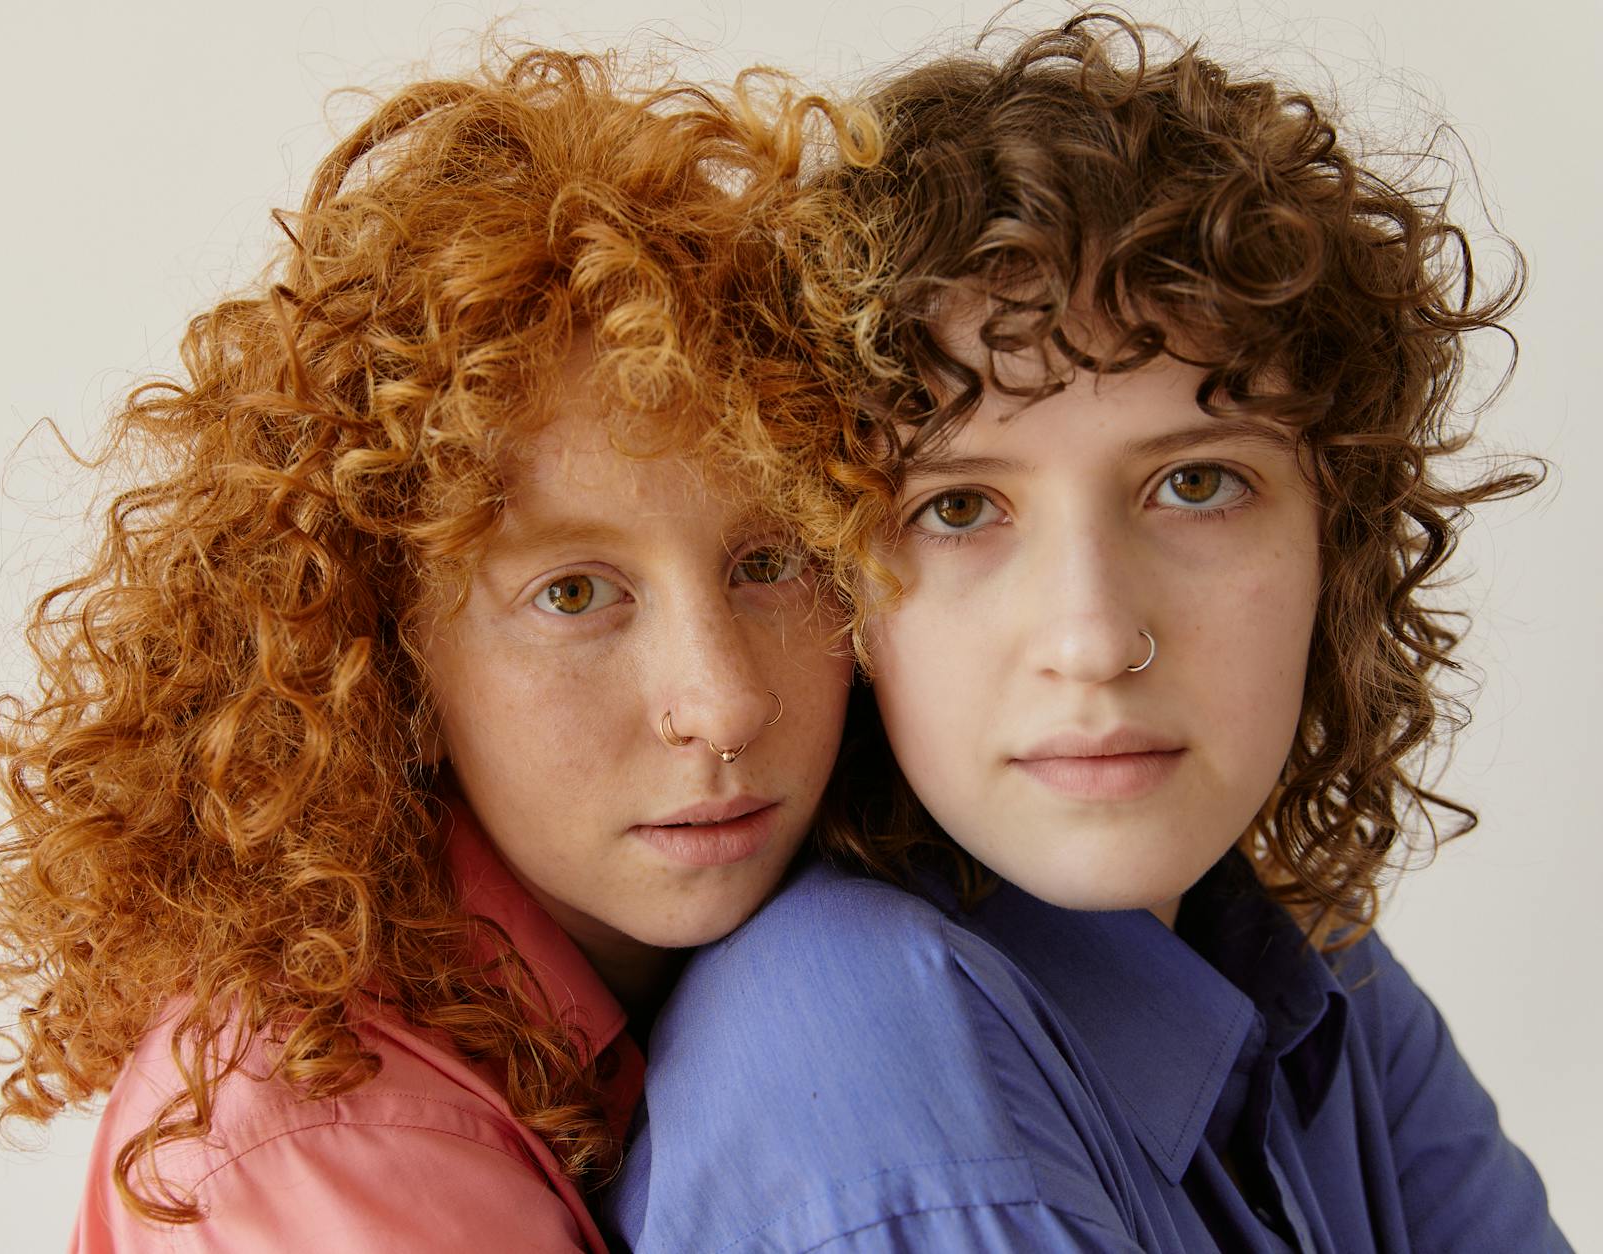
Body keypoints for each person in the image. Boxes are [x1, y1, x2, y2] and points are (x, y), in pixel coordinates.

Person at [607, 14, 1571, 1253]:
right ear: (836, 582)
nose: (1095, 640)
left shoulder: (1312, 968)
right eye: (958, 509)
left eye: (1195, 485)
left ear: (1334, 542)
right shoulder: (867, 1055)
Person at [0, 48, 879, 1251]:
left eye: (771, 564)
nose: (722, 703)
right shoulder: (327, 1133)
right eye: (572, 594)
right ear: (382, 657)